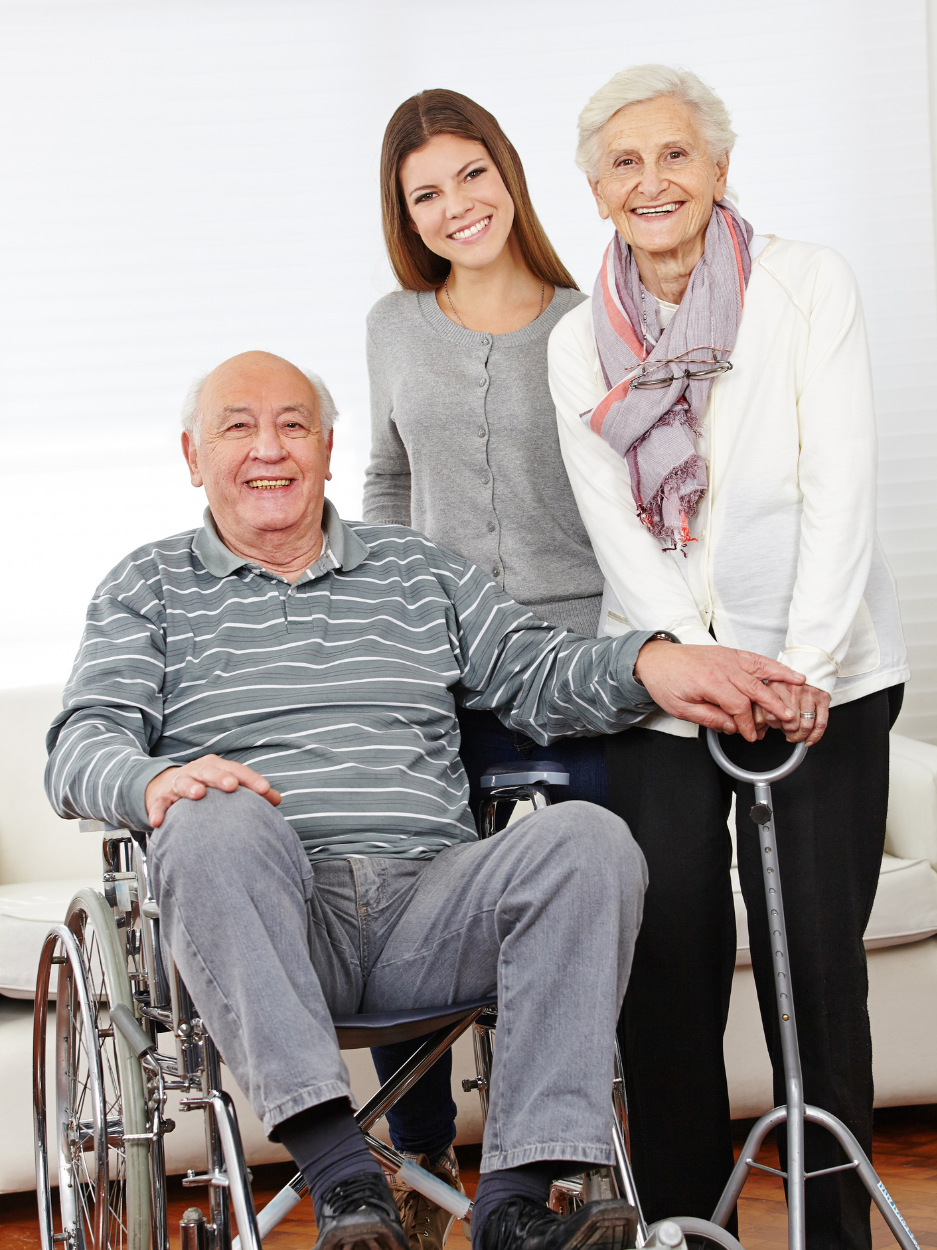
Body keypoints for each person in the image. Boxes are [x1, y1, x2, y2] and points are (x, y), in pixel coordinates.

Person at [46, 351, 806, 1250]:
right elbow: (79, 745)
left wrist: (654, 660)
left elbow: (538, 672)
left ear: (329, 450)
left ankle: (515, 1204)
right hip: (268, 908)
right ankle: (341, 1176)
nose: (269, 449)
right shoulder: (149, 586)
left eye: (294, 425)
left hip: (432, 904)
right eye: (237, 427)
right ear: (192, 454)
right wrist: (153, 780)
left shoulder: (418, 572)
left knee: (590, 842)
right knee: (209, 815)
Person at [547, 65, 910, 1250]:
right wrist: (700, 666)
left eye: (675, 155)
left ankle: (828, 1231)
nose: (652, 181)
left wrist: (794, 665)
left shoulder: (805, 286)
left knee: (814, 969)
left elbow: (839, 488)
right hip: (665, 686)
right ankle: (686, 1231)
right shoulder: (574, 341)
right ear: (595, 189)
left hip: (823, 678)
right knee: (667, 961)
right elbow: (617, 530)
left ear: (715, 167)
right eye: (624, 163)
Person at [363, 91, 610, 1228]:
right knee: (406, 914)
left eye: (471, 175)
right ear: (404, 215)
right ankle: (418, 1172)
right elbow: (386, 483)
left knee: (581, 904)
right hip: (440, 671)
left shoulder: (589, 316)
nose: (455, 205)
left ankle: (544, 1176)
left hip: (578, 660)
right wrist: (387, 626)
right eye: (426, 192)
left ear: (508, 175)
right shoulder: (394, 323)